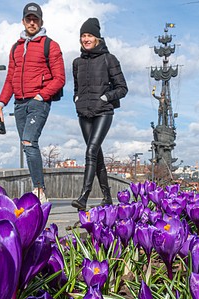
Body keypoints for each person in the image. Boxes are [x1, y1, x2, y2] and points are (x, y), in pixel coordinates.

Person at [0, 2, 65, 204]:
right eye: (28, 19)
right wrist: (0, 105)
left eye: (36, 19)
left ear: (41, 21)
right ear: (23, 21)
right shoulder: (16, 48)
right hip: (18, 104)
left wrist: (41, 96)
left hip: (38, 102)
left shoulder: (50, 45)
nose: (32, 23)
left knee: (29, 141)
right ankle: (38, 187)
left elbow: (60, 78)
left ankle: (39, 190)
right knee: (26, 146)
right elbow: (10, 79)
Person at [70, 17, 128, 211]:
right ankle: (107, 197)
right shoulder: (77, 62)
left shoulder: (109, 59)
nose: (86, 39)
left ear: (97, 38)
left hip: (103, 112)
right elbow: (76, 87)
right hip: (84, 113)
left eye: (89, 35)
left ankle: (84, 197)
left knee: (90, 151)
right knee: (98, 156)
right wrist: (76, 98)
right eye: (83, 36)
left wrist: (105, 98)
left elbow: (122, 88)